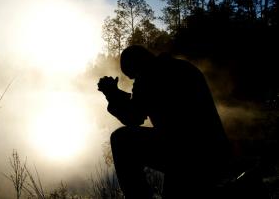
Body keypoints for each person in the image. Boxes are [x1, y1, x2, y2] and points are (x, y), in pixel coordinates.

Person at [97, 45, 231, 199]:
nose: (134, 81)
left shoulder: (149, 75)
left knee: (121, 139)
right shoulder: (182, 67)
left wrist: (112, 95)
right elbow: (141, 101)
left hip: (185, 154)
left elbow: (134, 117)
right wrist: (117, 93)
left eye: (133, 76)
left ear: (137, 65)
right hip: (214, 152)